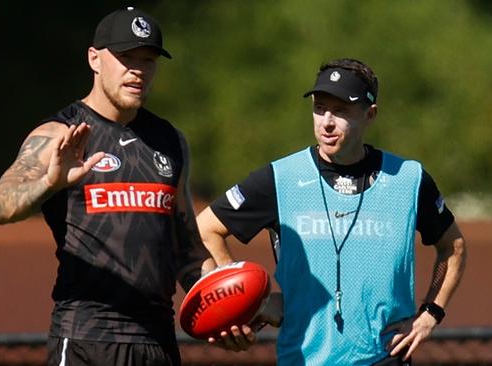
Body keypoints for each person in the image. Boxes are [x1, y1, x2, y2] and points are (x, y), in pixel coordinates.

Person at [0, 7, 216, 366]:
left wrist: (225, 304)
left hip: (157, 343)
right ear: (95, 58)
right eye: (126, 58)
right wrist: (49, 183)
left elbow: (186, 248)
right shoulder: (61, 134)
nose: (137, 70)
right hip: (85, 340)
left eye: (148, 59)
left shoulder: (170, 141)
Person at [197, 58, 467, 365]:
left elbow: (453, 248)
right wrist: (249, 302)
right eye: (319, 107)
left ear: (370, 114)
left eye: (341, 111)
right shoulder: (281, 177)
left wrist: (430, 313)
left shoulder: (408, 179)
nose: (326, 121)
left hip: (386, 359)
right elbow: (206, 229)